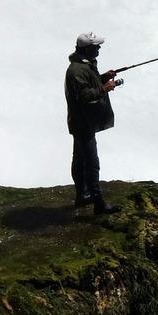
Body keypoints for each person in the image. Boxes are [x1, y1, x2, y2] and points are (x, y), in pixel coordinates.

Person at [64, 32, 121, 214]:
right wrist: (104, 88)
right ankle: (98, 203)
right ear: (88, 48)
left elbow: (88, 85)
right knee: (91, 163)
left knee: (80, 160)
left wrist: (103, 77)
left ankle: (83, 196)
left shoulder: (84, 65)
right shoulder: (77, 70)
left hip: (81, 122)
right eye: (96, 46)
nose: (99, 48)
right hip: (83, 124)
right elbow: (84, 96)